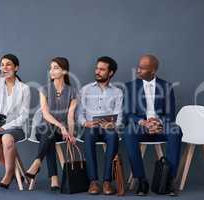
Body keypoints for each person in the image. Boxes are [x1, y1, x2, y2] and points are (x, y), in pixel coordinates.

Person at [123, 54, 182, 196]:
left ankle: (169, 181)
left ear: (153, 71)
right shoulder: (129, 87)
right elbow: (128, 114)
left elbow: (170, 114)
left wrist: (158, 122)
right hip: (140, 125)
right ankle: (141, 180)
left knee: (176, 131)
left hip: (160, 125)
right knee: (128, 132)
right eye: (138, 67)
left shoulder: (166, 87)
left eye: (142, 69)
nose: (138, 70)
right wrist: (144, 122)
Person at [25, 57, 77, 191]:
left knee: (50, 136)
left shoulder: (72, 91)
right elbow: (46, 115)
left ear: (64, 71)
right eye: (51, 68)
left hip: (60, 133)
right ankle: (49, 173)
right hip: (43, 129)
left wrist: (70, 133)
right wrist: (61, 126)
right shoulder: (44, 89)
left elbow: (70, 116)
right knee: (49, 129)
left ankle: (39, 165)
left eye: (56, 68)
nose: (51, 71)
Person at [0, 54, 30, 189]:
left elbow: (24, 116)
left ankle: (8, 174)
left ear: (16, 68)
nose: (4, 67)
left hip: (14, 125)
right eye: (2, 64)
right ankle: (15, 171)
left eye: (8, 64)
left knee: (7, 139)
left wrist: (5, 128)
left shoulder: (24, 88)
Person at [77, 56, 123, 195]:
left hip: (108, 128)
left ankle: (107, 182)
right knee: (89, 136)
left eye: (102, 69)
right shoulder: (85, 90)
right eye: (97, 68)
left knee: (113, 136)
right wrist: (86, 122)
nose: (97, 71)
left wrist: (113, 124)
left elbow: (119, 115)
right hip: (91, 126)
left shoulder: (117, 92)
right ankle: (93, 182)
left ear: (111, 73)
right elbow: (79, 114)